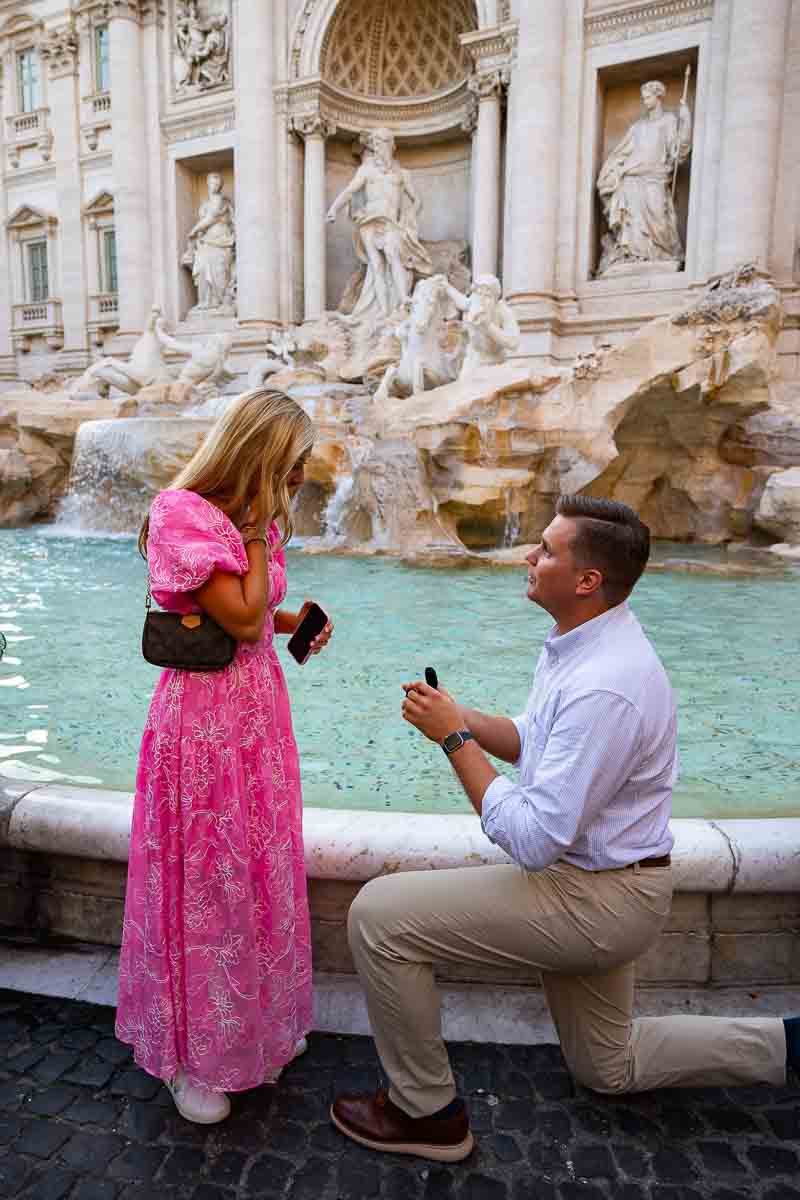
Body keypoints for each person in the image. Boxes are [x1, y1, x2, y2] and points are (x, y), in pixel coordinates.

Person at [330, 495, 794, 1163]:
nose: (529, 555)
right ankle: (790, 1043)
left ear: (587, 581)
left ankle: (426, 1113)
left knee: (378, 915)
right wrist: (460, 713)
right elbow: (532, 741)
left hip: (595, 901)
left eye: (547, 550)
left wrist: (454, 738)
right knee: (609, 1067)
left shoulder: (607, 682)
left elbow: (534, 838)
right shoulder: (585, 644)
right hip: (610, 886)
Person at [116, 388, 333, 1125]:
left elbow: (247, 611)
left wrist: (293, 622)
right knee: (206, 878)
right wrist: (251, 536)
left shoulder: (253, 522)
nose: (303, 476)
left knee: (257, 866)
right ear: (262, 454)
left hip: (255, 714)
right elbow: (237, 620)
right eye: (295, 461)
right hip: (202, 722)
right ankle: (193, 1057)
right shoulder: (184, 512)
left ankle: (257, 1029)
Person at [326, 127, 432, 320]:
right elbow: (350, 191)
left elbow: (417, 200)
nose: (377, 147)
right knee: (376, 266)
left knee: (393, 256)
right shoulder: (366, 169)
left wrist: (409, 217)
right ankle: (384, 311)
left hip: (391, 221)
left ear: (391, 145)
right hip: (369, 221)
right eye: (375, 143)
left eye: (381, 142)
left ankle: (403, 300)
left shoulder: (402, 173)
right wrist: (334, 208)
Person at [596, 79, 692, 275]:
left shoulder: (669, 121)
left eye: (648, 97)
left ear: (658, 97)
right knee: (632, 220)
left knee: (658, 215)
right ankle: (634, 254)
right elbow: (621, 153)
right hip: (632, 176)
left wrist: (686, 120)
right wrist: (613, 171)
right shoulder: (637, 127)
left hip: (655, 176)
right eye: (643, 98)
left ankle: (662, 253)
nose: (645, 101)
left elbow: (677, 152)